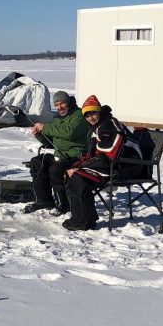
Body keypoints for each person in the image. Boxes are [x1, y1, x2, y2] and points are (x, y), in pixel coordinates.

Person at [63, 94, 144, 231]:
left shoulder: (110, 124)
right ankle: (87, 218)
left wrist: (81, 169)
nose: (90, 118)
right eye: (87, 116)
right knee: (70, 173)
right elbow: (93, 154)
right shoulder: (97, 127)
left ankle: (82, 221)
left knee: (78, 178)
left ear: (99, 112)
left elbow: (111, 152)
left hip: (128, 166)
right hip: (114, 164)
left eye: (93, 113)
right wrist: (78, 166)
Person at [23, 90, 89, 215]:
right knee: (37, 162)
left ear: (68, 102)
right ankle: (44, 200)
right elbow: (53, 140)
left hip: (76, 155)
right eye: (57, 105)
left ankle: (64, 204)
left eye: (62, 103)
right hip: (60, 155)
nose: (59, 107)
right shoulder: (58, 119)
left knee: (55, 169)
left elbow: (69, 132)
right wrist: (40, 135)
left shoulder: (79, 115)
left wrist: (46, 127)